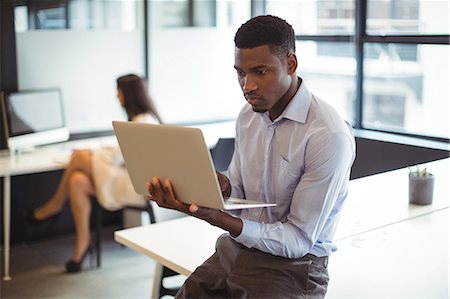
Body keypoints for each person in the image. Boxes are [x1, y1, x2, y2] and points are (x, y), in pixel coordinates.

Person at [148, 15, 356, 298]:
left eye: (260, 72)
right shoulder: (248, 117)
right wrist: (222, 188)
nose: (247, 86)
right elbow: (241, 191)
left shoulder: (327, 135)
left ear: (291, 64)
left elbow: (297, 240)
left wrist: (219, 219)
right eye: (240, 73)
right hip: (234, 251)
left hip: (293, 267)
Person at [27, 74, 162, 273]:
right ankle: (82, 244)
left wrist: (90, 153)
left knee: (80, 158)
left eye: (118, 91)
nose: (117, 97)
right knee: (77, 181)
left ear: (127, 93)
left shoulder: (143, 121)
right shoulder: (141, 119)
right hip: (127, 177)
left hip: (137, 187)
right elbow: (122, 152)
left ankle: (54, 205)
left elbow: (117, 156)